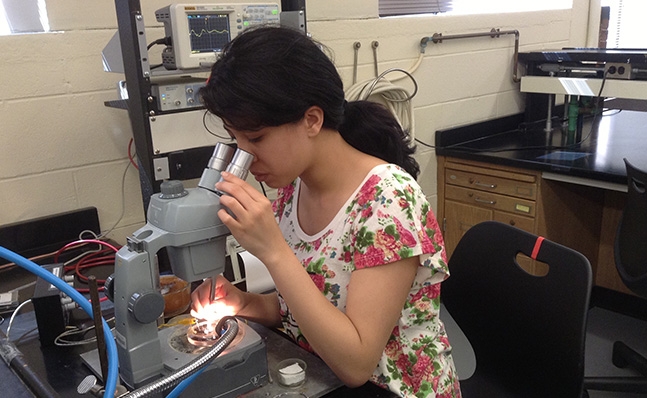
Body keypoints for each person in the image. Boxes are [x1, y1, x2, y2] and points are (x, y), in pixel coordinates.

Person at [191, 25, 461, 397]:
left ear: (312, 120)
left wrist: (273, 251)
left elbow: (356, 363)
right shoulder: (292, 189)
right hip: (321, 378)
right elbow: (308, 307)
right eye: (234, 138)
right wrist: (245, 303)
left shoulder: (387, 202)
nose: (245, 156)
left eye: (255, 138)